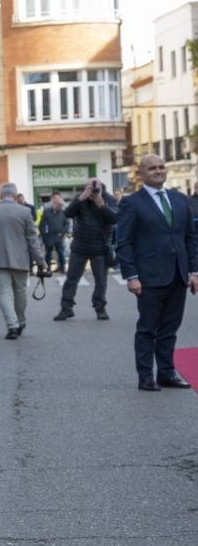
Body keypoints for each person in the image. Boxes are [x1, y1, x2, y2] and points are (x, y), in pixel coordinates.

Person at [113, 153, 198, 390]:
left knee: (170, 328)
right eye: (152, 168)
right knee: (148, 328)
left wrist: (194, 271)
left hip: (178, 275)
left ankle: (167, 373)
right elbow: (124, 242)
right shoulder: (132, 203)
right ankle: (145, 376)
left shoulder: (180, 200)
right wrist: (131, 276)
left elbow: (190, 239)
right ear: (141, 174)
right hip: (148, 278)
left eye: (161, 167)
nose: (158, 171)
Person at [0, 182, 42, 339]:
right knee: (20, 291)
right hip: (20, 258)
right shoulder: (25, 212)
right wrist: (41, 261)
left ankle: (12, 325)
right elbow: (32, 239)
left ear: (1, 196)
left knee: (4, 292)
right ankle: (20, 320)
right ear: (15, 196)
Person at [57, 179, 117, 321]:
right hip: (79, 246)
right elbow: (68, 213)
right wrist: (80, 199)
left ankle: (100, 308)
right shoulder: (80, 197)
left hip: (100, 248)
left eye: (96, 189)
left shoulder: (109, 199)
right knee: (71, 279)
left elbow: (115, 219)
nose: (93, 192)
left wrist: (102, 204)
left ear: (102, 189)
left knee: (101, 281)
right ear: (85, 188)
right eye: (89, 188)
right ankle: (66, 309)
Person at [38, 190, 69, 271]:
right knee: (48, 254)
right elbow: (42, 224)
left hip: (59, 237)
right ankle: (47, 268)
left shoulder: (63, 212)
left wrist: (62, 233)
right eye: (58, 204)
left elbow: (67, 224)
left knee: (61, 253)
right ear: (54, 203)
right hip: (49, 237)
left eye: (60, 204)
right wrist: (44, 235)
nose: (59, 206)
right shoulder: (47, 212)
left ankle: (62, 268)